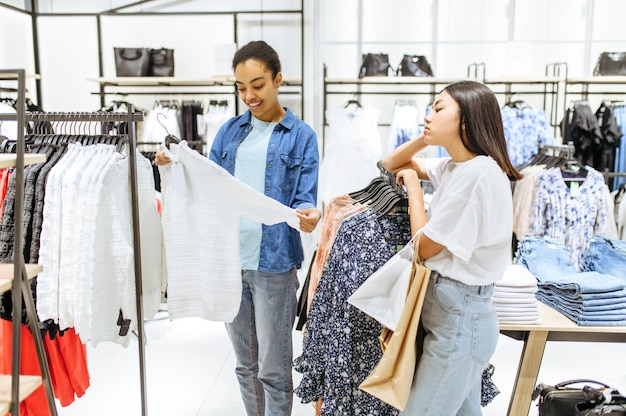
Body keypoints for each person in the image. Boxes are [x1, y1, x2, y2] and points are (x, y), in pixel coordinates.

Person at [156, 40, 322, 416]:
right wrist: (171, 165)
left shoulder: (301, 136)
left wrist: (308, 215)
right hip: (229, 259)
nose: (249, 95)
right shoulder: (229, 132)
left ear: (278, 80)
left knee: (273, 370)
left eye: (258, 85)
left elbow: (303, 200)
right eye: (241, 87)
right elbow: (206, 186)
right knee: (245, 366)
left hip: (274, 264)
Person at [382, 80, 522, 415]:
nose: (428, 116)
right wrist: (427, 136)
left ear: (466, 119)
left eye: (438, 108)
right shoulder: (458, 167)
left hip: (460, 321)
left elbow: (424, 247)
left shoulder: (478, 174)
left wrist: (415, 191)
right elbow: (390, 163)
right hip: (455, 317)